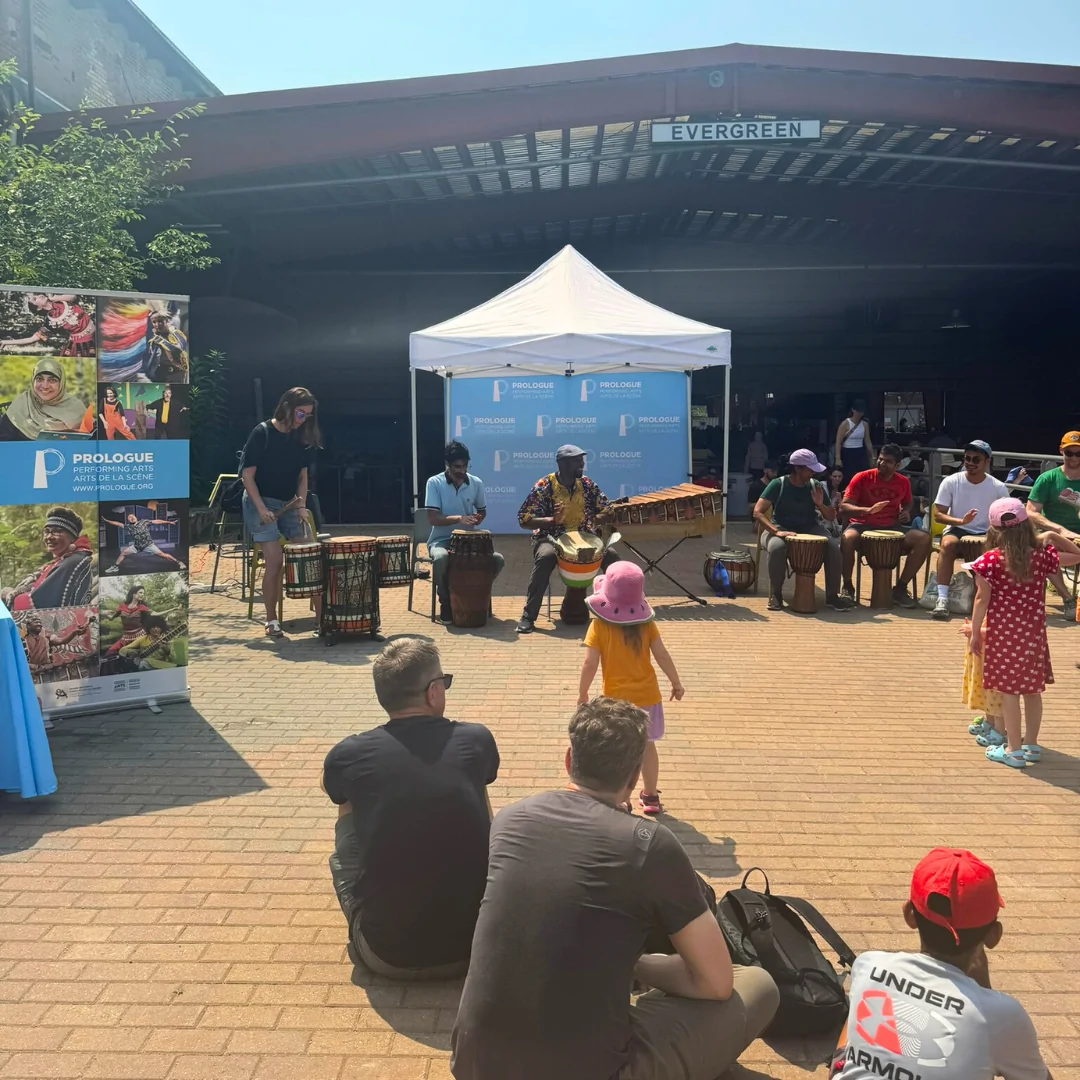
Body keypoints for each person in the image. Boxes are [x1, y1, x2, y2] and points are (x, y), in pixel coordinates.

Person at [451, 696, 779, 1080]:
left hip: (476, 1063)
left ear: (569, 759)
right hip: (591, 1070)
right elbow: (715, 982)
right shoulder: (649, 843)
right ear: (635, 775)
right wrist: (639, 965)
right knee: (756, 985)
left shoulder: (510, 819)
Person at [322, 639, 499, 979]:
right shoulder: (475, 739)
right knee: (474, 783)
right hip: (477, 948)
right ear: (433, 692)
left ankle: (377, 905)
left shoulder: (349, 754)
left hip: (388, 955)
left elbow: (333, 790)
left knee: (347, 801)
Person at [831, 848, 1052, 1080]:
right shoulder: (1004, 1015)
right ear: (993, 935)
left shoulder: (869, 965)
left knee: (862, 1008)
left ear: (909, 915)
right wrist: (984, 989)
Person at [969, 498, 1080, 769]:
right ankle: (1030, 745)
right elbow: (1076, 555)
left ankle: (1013, 750)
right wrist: (1053, 534)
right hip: (1033, 634)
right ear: (1027, 526)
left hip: (1003, 634)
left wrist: (974, 632)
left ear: (994, 530)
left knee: (1009, 692)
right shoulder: (1042, 556)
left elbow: (981, 600)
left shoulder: (988, 561)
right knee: (1032, 691)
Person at [577, 562, 684, 816]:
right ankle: (651, 796)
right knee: (647, 746)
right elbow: (662, 654)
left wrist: (582, 694)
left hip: (616, 701)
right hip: (648, 697)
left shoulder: (599, 626)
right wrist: (676, 682)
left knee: (620, 750)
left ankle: (621, 799)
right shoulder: (646, 625)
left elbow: (589, 663)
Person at [240, 387, 323, 638]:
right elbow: (247, 476)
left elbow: (302, 476)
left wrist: (300, 506)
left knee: (309, 555)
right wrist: (262, 509)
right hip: (259, 501)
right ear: (286, 407)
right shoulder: (262, 433)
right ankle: (272, 620)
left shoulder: (301, 438)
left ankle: (322, 620)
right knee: (275, 560)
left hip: (289, 502)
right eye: (300, 414)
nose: (303, 420)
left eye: (307, 415)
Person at [515, 443, 618, 635]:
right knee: (545, 557)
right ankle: (528, 616)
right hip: (550, 537)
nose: (582, 464)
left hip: (584, 535)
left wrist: (595, 517)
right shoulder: (544, 486)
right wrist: (551, 520)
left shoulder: (587, 484)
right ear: (562, 463)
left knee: (612, 557)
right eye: (577, 461)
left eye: (582, 460)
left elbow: (608, 510)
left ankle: (619, 610)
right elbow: (524, 519)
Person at [753, 449, 853, 613]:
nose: (813, 472)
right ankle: (776, 594)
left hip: (810, 527)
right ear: (798, 468)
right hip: (779, 527)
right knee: (777, 548)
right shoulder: (778, 484)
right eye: (810, 468)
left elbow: (830, 516)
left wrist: (820, 504)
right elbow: (757, 512)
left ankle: (832, 596)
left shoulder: (816, 485)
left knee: (833, 547)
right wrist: (776, 532)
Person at [839, 443, 930, 608]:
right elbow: (844, 506)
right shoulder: (862, 477)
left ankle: (900, 588)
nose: (881, 463)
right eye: (880, 459)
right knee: (847, 538)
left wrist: (906, 512)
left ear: (897, 465)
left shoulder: (903, 482)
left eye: (887, 461)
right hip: (861, 525)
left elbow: (908, 502)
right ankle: (847, 586)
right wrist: (867, 510)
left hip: (892, 527)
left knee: (923, 539)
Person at [424, 441, 505, 624]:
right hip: (441, 540)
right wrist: (459, 519)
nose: (462, 470)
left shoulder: (476, 483)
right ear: (448, 465)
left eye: (465, 466)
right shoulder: (434, 483)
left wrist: (478, 518)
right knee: (441, 558)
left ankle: (472, 594)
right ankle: (446, 601)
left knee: (497, 560)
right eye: (457, 467)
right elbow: (433, 519)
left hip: (469, 542)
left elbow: (482, 511)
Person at [930, 440, 1009, 620]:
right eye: (967, 458)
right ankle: (942, 599)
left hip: (986, 534)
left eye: (976, 459)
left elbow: (1007, 515)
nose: (970, 463)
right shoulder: (951, 481)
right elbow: (938, 514)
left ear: (987, 461)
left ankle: (992, 599)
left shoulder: (998, 487)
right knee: (948, 544)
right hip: (957, 529)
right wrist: (960, 521)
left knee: (997, 550)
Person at [1025, 431, 1080, 619]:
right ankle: (1068, 599)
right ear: (1061, 452)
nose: (1074, 457)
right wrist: (1059, 529)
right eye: (1069, 453)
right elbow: (1030, 512)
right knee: (1044, 553)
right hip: (1053, 534)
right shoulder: (1048, 478)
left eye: (1078, 453)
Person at [0, 507, 93, 612]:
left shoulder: (72, 562)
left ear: (73, 537)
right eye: (47, 532)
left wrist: (8, 594)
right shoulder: (66, 560)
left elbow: (40, 602)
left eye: (57, 532)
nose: (49, 537)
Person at [0, 357, 92, 441]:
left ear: (61, 383)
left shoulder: (76, 408)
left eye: (52, 380)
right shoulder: (20, 407)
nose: (45, 386)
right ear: (33, 381)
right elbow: (4, 447)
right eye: (39, 379)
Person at [0, 292, 96, 356]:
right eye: (35, 298)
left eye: (37, 294)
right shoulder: (50, 322)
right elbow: (32, 339)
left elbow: (74, 296)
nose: (39, 296)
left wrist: (53, 297)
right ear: (38, 308)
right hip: (82, 345)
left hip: (97, 332)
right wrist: (6, 342)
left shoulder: (61, 300)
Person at [102, 511, 186, 574]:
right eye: (129, 517)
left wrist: (168, 522)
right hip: (137, 546)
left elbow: (156, 521)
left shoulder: (143, 522)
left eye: (132, 516)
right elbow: (117, 524)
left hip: (148, 545)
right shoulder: (128, 527)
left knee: (163, 555)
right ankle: (115, 567)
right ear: (128, 520)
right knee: (123, 553)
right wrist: (107, 521)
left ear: (136, 517)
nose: (131, 517)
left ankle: (179, 562)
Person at [20, 611, 95, 680]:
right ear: (28, 626)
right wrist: (34, 667)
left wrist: (74, 633)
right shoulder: (21, 641)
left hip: (47, 671)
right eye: (36, 622)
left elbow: (62, 640)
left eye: (40, 622)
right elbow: (19, 661)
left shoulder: (47, 638)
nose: (39, 624)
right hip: (30, 674)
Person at [103, 585, 176, 656]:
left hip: (140, 636)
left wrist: (171, 609)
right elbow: (111, 618)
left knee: (141, 654)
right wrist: (104, 613)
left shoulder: (142, 607)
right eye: (140, 593)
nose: (142, 595)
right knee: (110, 652)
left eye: (143, 593)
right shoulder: (122, 606)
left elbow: (156, 614)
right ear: (134, 594)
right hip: (126, 637)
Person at [834, 399, 874, 480]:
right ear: (853, 410)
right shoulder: (845, 423)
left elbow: (867, 441)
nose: (860, 414)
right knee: (849, 476)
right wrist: (838, 458)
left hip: (860, 452)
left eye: (861, 412)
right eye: (858, 411)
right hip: (848, 452)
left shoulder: (865, 424)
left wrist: (872, 456)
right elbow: (838, 441)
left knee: (862, 476)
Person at [146, 312, 189, 382]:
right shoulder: (155, 339)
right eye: (154, 322)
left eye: (160, 321)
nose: (157, 325)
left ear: (167, 321)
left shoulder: (176, 333)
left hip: (177, 374)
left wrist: (163, 343)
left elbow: (180, 349)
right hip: (163, 374)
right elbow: (152, 361)